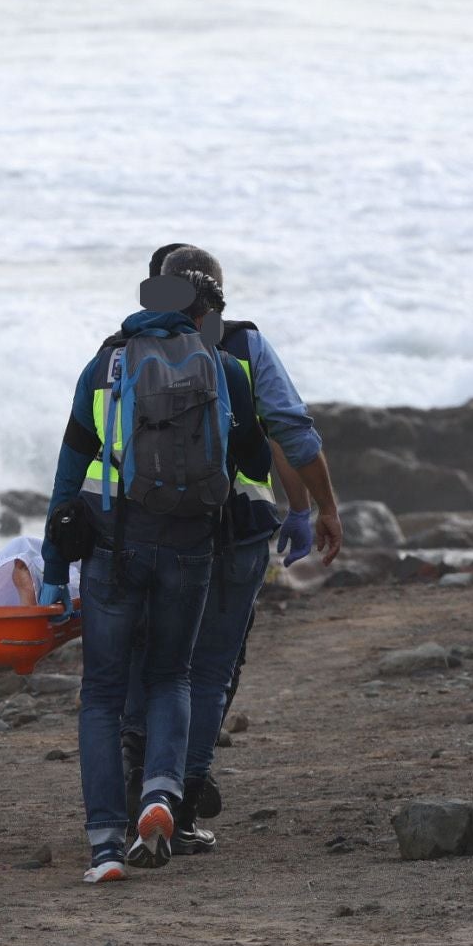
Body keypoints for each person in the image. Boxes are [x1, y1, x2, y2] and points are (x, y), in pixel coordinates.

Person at [37, 267, 272, 884]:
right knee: (174, 676)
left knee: (104, 697)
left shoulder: (105, 365)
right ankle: (161, 797)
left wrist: (55, 572)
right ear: (204, 316)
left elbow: (68, 476)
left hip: (115, 548)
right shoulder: (224, 369)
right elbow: (251, 457)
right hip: (193, 548)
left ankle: (105, 849)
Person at [119, 245, 343, 856]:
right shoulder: (244, 344)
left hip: (152, 530)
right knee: (209, 670)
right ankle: (181, 806)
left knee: (153, 662)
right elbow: (288, 431)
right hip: (237, 529)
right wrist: (318, 508)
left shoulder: (126, 348)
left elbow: (102, 447)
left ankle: (138, 794)